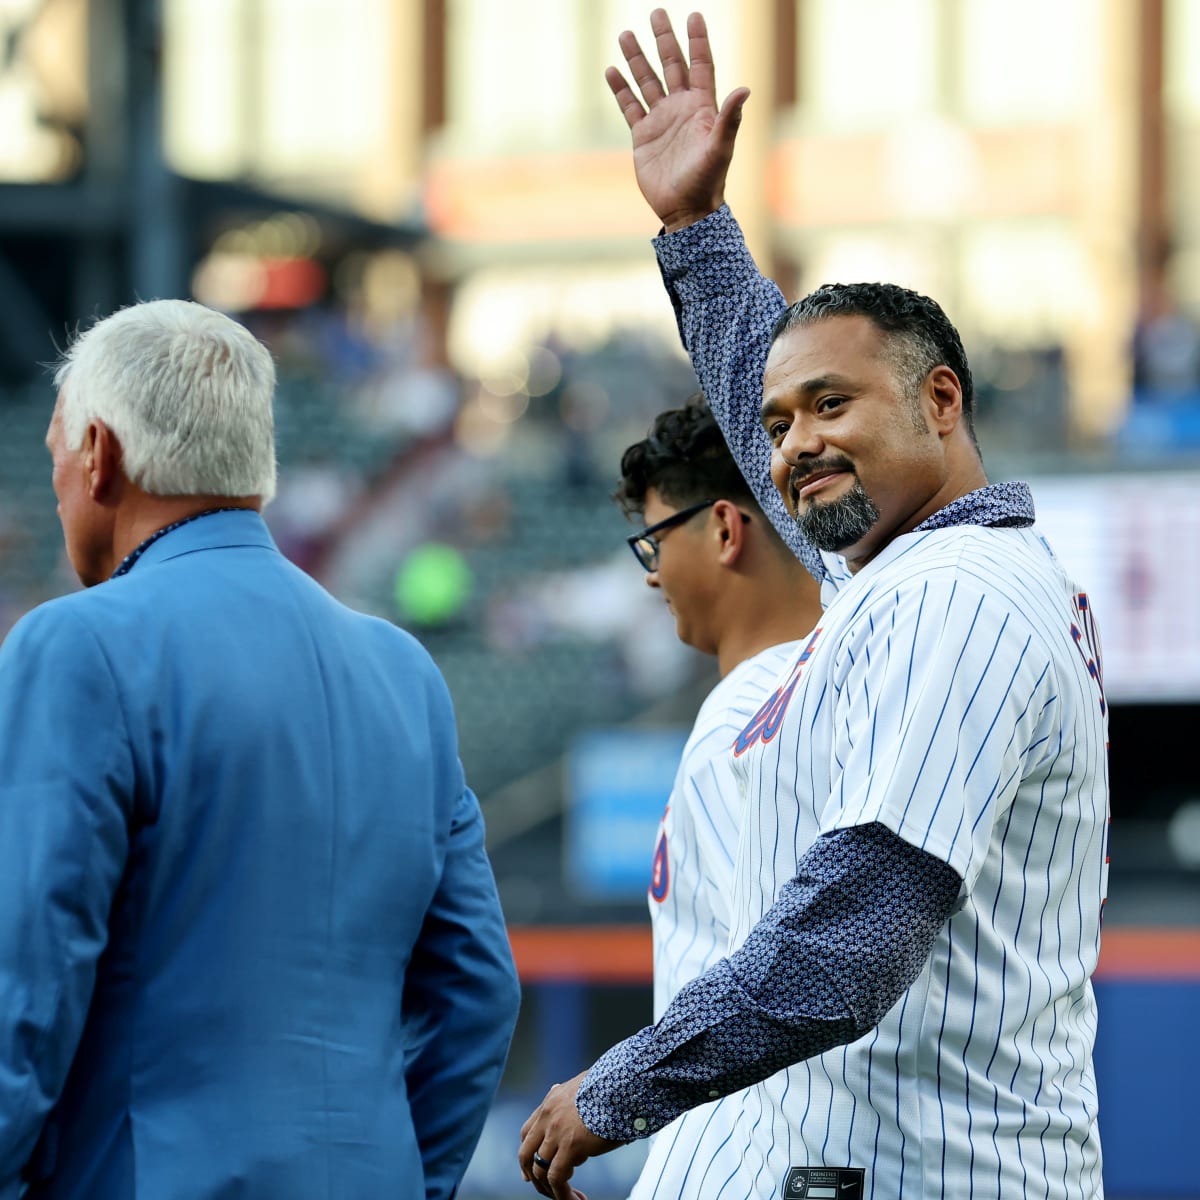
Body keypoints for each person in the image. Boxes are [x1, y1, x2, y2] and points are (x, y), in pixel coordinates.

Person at [517, 12, 1110, 1199]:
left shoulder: (966, 595)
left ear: (942, 401)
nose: (795, 447)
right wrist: (694, 229)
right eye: (781, 430)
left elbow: (855, 936)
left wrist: (621, 1086)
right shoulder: (899, 568)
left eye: (833, 407)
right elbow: (767, 381)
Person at [0, 299, 520, 1200]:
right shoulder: (402, 671)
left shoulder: (77, 645)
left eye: (56, 453)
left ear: (100, 453)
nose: (56, 484)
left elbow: (25, 993)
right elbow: (477, 993)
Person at [613, 396, 821, 1198]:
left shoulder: (751, 713)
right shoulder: (840, 689)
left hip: (751, 1162)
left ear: (726, 529)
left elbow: (794, 978)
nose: (654, 571)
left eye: (656, 540)